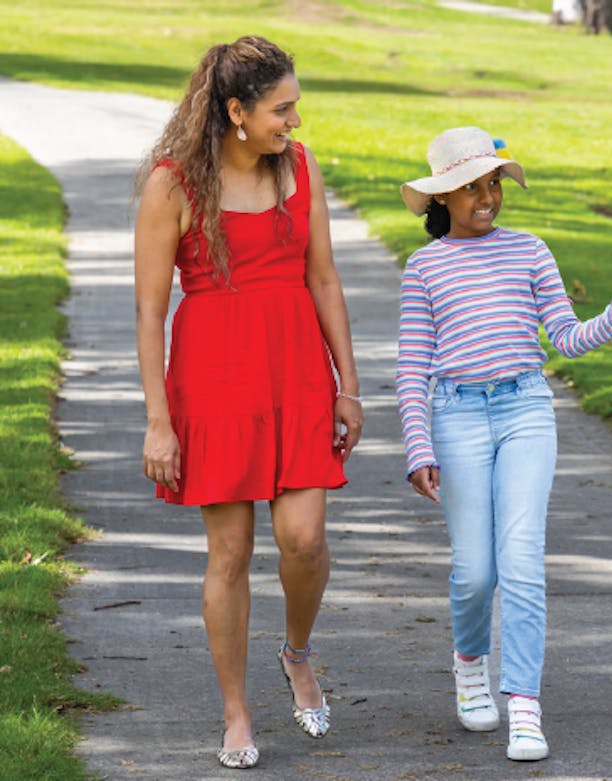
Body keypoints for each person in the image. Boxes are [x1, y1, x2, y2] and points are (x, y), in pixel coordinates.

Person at [133, 36, 363, 770]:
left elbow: (323, 278)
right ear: (235, 111)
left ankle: (297, 651)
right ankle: (236, 711)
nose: (294, 121)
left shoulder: (299, 169)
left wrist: (347, 383)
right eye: (281, 108)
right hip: (213, 379)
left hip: (295, 370)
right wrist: (158, 422)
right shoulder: (172, 185)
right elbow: (146, 312)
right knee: (229, 552)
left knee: (305, 539)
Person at [395, 126, 612, 762]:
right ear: (443, 197)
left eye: (494, 184)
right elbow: (412, 367)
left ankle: (525, 706)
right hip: (457, 417)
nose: (488, 197)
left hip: (525, 409)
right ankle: (470, 662)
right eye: (472, 187)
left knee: (523, 559)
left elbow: (563, 335)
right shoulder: (424, 266)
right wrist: (418, 446)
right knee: (476, 570)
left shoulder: (530, 250)